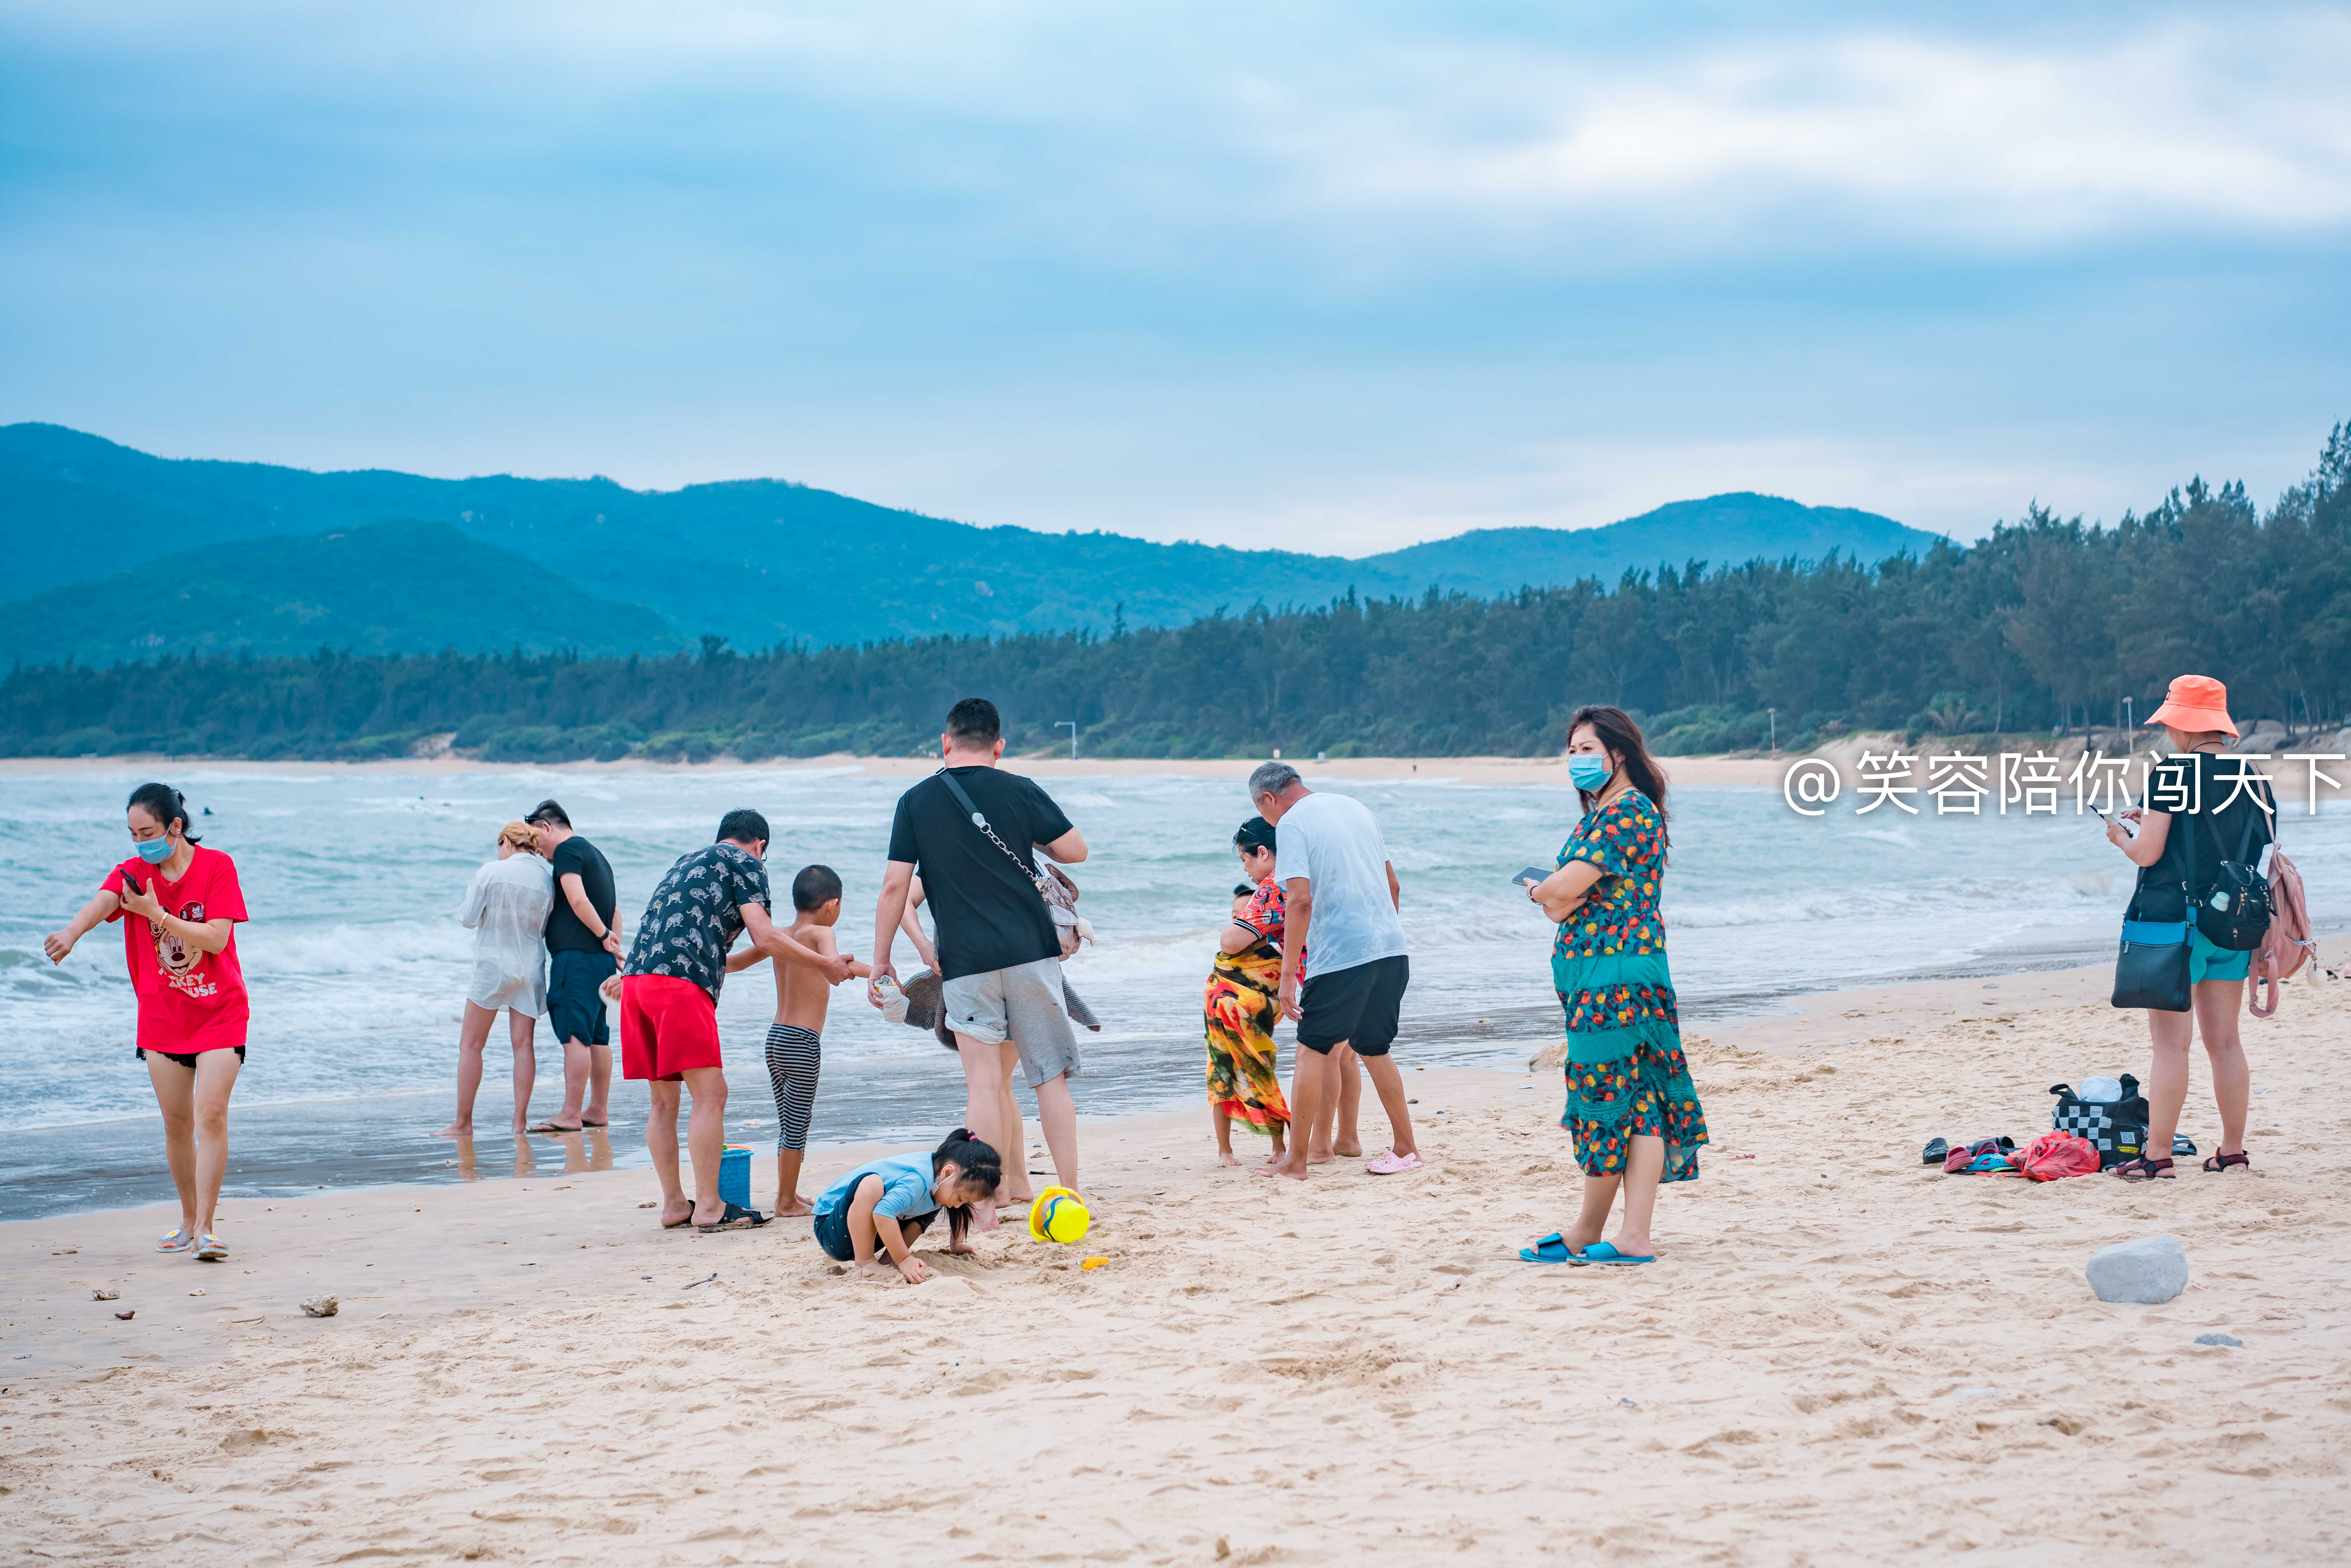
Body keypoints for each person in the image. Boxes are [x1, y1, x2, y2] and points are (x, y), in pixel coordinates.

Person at [869, 697, 1090, 1224]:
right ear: (999, 746)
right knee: (1049, 1079)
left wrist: (884, 960)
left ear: (945, 743)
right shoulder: (1018, 788)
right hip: (1031, 955)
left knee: (983, 1086)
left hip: (965, 963)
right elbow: (1076, 850)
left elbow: (895, 886)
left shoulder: (916, 801)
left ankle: (985, 1208)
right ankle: (1071, 1193)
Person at [1518, 705, 1708, 1266]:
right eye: (1571, 751)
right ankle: (1628, 1235)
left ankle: (1589, 1230)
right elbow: (1561, 905)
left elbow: (1563, 889)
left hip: (1615, 974)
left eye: (1585, 750)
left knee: (1603, 1097)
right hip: (1621, 968)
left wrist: (1542, 891)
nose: (1575, 760)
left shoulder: (1624, 814)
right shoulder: (1608, 814)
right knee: (1640, 1098)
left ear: (1617, 753)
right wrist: (1552, 895)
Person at [608, 809, 855, 1231]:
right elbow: (765, 936)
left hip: (635, 981)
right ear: (760, 845)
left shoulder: (686, 861)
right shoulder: (748, 863)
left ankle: (673, 1204)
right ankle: (708, 1205)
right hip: (679, 985)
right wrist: (826, 963)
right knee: (711, 1094)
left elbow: (700, 940)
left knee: (663, 1102)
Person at [43, 783, 251, 1262]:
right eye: (133, 834)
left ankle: (207, 1229)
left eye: (148, 832)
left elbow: (217, 939)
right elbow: (103, 900)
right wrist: (72, 932)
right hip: (162, 1017)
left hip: (221, 1010)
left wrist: (155, 912)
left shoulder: (217, 866)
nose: (140, 843)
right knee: (177, 1123)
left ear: (175, 827)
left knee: (211, 1115)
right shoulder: (134, 873)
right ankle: (186, 1220)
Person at [2104, 674, 2272, 1180]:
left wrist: (2121, 837)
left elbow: (2150, 851)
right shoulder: (2255, 779)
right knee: (2226, 1043)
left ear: (2183, 724)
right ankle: (2232, 1150)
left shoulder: (2170, 774)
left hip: (2175, 929)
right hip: (2235, 928)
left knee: (2170, 1047)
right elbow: (2253, 854)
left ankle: (2157, 1156)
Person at [1244, 761, 1421, 1182]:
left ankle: (1298, 1161)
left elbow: (1299, 901)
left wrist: (1288, 977)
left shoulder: (1292, 823)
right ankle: (1406, 1147)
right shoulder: (1355, 807)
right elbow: (1392, 885)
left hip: (1341, 954)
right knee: (1373, 1047)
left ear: (1269, 799)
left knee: (1311, 1049)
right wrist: (1379, 936)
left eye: (1263, 809)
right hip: (1391, 947)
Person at [725, 863, 872, 1215]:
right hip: (802, 1042)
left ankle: (787, 1194)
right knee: (797, 1124)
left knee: (790, 1121)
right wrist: (882, 976)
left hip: (775, 1039)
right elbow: (839, 968)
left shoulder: (777, 936)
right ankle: (785, 1201)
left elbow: (734, 964)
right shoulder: (821, 934)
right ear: (832, 905)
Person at [437, 820, 556, 1138]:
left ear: (506, 841)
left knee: (472, 1045)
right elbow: (546, 924)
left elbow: (468, 919)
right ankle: (519, 1123)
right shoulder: (546, 879)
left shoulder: (490, 871)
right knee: (523, 1045)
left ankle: (463, 1123)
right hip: (530, 966)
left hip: (492, 965)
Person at [525, 799, 621, 1134]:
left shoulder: (567, 852)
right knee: (598, 1038)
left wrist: (603, 934)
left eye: (536, 841)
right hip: (600, 961)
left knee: (575, 1037)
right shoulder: (597, 855)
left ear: (547, 827)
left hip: (576, 960)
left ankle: (570, 1114)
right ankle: (598, 1110)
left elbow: (578, 900)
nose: (538, 851)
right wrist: (613, 947)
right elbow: (615, 908)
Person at [1203, 817, 1292, 1165]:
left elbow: (1232, 940)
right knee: (1221, 1071)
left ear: (1262, 853)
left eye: (1245, 860)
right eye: (1236, 914)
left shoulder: (1274, 891)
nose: (1246, 868)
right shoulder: (1301, 879)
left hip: (1253, 1013)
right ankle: (1225, 1150)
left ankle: (1284, 1147)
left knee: (1260, 1068)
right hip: (1223, 1008)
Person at [812, 1129, 1004, 1284]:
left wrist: (957, 1243)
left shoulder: (942, 1181)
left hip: (868, 1234)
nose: (959, 1206)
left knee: (941, 1201)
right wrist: (905, 1259)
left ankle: (887, 1262)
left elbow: (956, 1206)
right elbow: (883, 1213)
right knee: (872, 1185)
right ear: (947, 1173)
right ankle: (867, 1261)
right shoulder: (919, 1177)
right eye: (962, 1197)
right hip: (833, 1227)